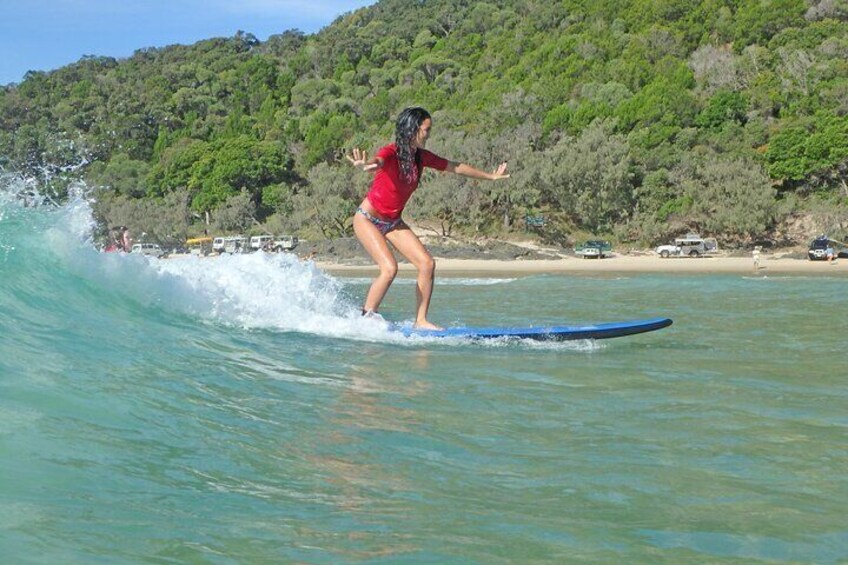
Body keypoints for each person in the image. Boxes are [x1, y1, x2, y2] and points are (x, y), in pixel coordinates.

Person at [346, 107, 510, 329]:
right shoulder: (391, 152)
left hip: (393, 221)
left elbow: (455, 167)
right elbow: (377, 162)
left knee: (426, 264)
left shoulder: (421, 157)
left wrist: (490, 176)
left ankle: (420, 321)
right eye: (426, 129)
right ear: (412, 130)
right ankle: (365, 319)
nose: (429, 134)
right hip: (367, 218)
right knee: (389, 268)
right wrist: (365, 165)